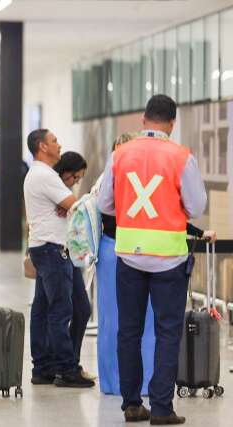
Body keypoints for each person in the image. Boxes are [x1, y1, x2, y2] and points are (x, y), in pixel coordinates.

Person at [98, 95, 207, 425]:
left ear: (144, 119)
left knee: (127, 331)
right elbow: (197, 206)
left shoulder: (120, 154)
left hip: (129, 256)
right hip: (169, 259)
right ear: (172, 124)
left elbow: (105, 202)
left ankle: (131, 404)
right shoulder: (181, 156)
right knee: (167, 332)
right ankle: (161, 407)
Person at [24, 129, 94, 388]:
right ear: (42, 146)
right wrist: (77, 205)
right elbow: (76, 206)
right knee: (60, 310)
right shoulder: (44, 174)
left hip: (46, 248)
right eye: (54, 140)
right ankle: (66, 369)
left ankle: (43, 368)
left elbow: (68, 206)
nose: (59, 143)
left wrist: (69, 206)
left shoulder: (39, 174)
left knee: (43, 309)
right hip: (53, 250)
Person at [52, 151, 94, 380]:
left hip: (70, 254)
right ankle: (65, 366)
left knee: (79, 309)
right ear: (66, 172)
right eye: (75, 177)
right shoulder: (52, 188)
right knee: (65, 311)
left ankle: (70, 363)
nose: (76, 182)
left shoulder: (65, 193)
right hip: (58, 254)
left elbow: (75, 209)